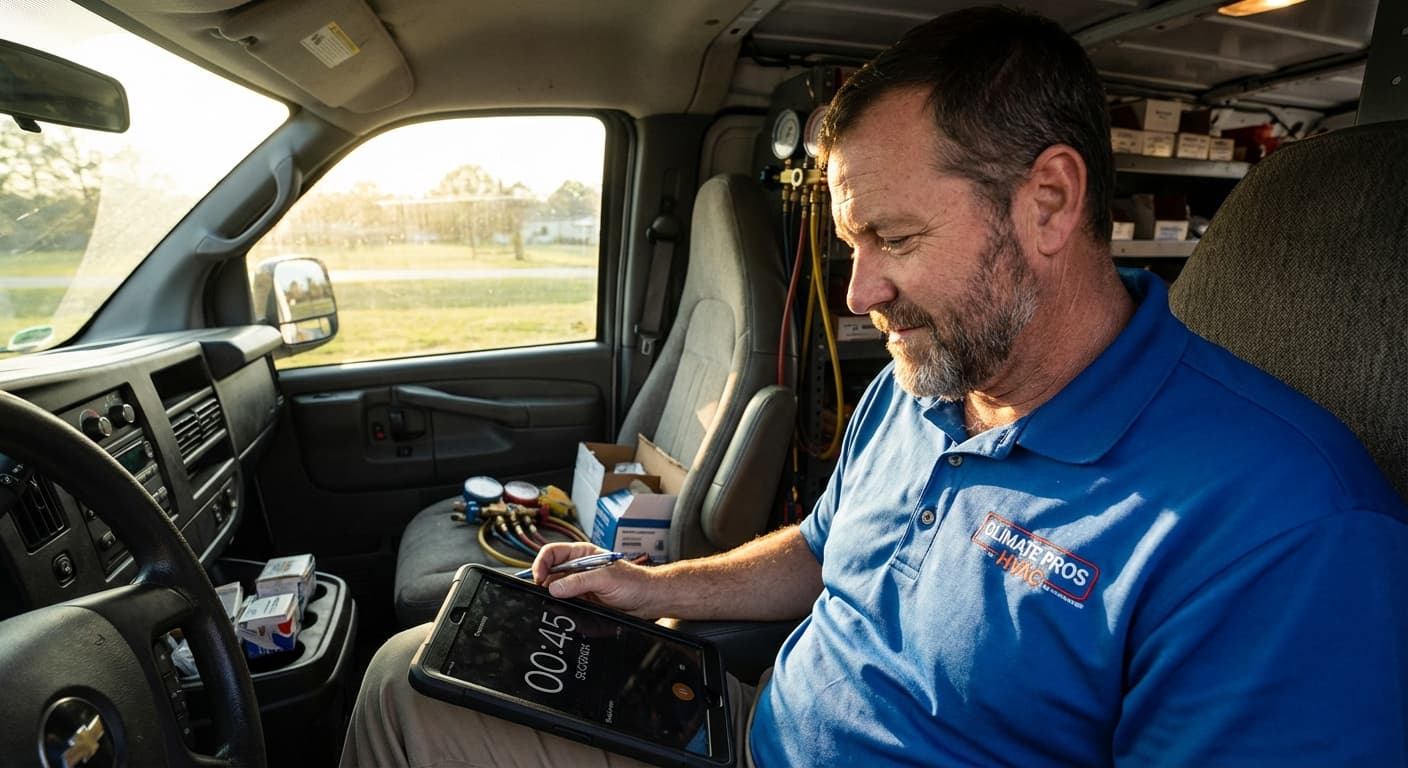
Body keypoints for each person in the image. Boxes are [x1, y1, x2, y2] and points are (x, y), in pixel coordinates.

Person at [340, 6, 1408, 766]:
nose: (859, 295)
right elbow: (821, 549)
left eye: (895, 237)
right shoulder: (926, 378)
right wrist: (656, 591)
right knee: (407, 672)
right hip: (742, 725)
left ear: (1046, 202)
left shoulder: (1287, 530)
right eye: (851, 241)